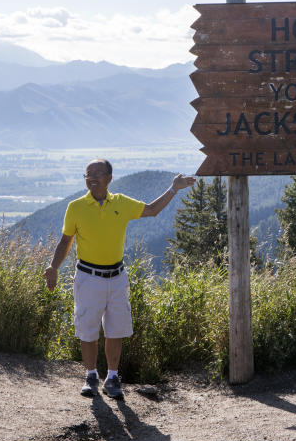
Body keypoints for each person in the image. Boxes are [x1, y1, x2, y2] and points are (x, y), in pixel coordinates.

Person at [43, 159, 195, 399]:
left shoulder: (122, 203)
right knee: (87, 329)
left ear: (109, 178)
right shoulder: (75, 207)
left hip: (117, 276)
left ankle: (112, 377)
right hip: (88, 276)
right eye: (88, 174)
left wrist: (174, 188)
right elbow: (65, 241)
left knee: (116, 329)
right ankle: (91, 375)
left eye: (98, 173)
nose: (92, 178)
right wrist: (53, 266)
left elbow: (152, 210)